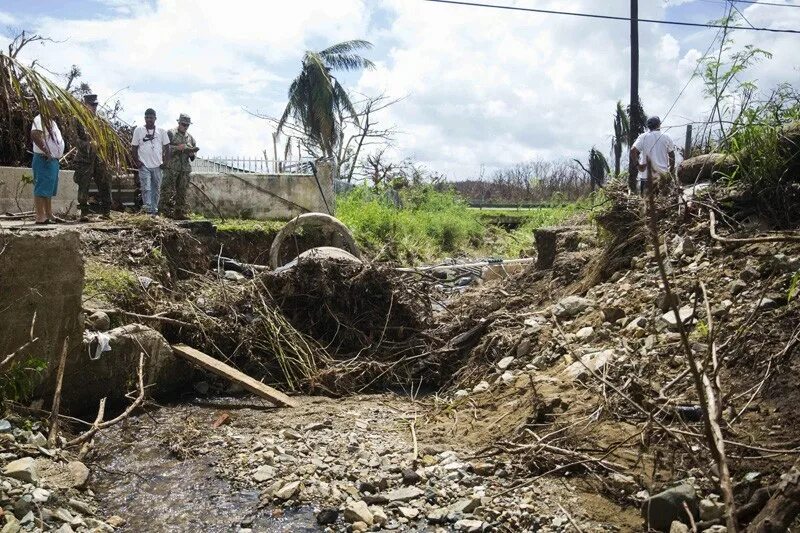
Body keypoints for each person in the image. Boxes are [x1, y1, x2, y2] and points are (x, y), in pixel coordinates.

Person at [73, 94, 112, 221]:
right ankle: (84, 212)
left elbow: (108, 139)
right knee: (83, 185)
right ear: (85, 104)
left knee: (105, 183)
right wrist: (88, 145)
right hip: (84, 158)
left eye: (96, 104)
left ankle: (106, 211)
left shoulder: (101, 121)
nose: (94, 107)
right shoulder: (77, 119)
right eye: (92, 104)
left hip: (99, 158)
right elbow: (74, 139)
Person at [30, 101, 65, 225]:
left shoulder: (52, 122)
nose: (56, 108)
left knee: (48, 188)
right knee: (41, 187)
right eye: (53, 106)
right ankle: (40, 216)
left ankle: (49, 214)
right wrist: (47, 151)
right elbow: (35, 134)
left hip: (52, 160)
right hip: (43, 158)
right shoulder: (39, 119)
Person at [131, 108, 170, 215]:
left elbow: (167, 147)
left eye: (151, 117)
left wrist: (166, 161)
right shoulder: (138, 130)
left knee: (156, 188)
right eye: (147, 117)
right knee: (146, 187)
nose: (149, 119)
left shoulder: (161, 131)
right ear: (144, 118)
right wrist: (137, 161)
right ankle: (147, 209)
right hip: (144, 165)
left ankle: (154, 210)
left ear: (155, 118)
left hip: (157, 165)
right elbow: (134, 147)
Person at [160, 113, 198, 219]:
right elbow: (164, 149)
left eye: (187, 125)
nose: (185, 127)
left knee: (182, 192)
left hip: (184, 169)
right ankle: (165, 213)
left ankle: (179, 213)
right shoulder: (170, 133)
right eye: (183, 124)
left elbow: (193, 157)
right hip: (171, 167)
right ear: (179, 122)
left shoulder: (190, 138)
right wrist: (178, 148)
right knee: (167, 190)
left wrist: (192, 154)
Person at [630, 116, 675, 196]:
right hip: (662, 177)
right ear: (659, 125)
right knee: (662, 204)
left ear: (648, 126)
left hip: (646, 177)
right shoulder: (666, 136)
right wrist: (670, 172)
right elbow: (672, 155)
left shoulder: (643, 136)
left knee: (645, 204)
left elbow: (633, 150)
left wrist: (638, 166)